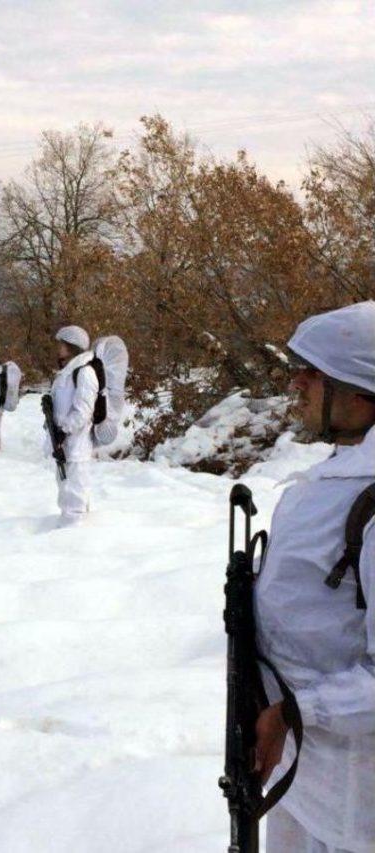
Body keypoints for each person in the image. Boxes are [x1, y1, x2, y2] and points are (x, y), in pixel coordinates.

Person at [253, 301, 375, 853]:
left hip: (356, 786)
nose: (296, 383)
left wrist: (299, 712)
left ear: (360, 394)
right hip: (303, 766)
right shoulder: (341, 473)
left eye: (314, 374)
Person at [47, 325, 99, 527]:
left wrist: (63, 430)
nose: (58, 348)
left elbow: (83, 413)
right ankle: (67, 534)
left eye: (61, 344)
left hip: (76, 447)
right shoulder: (67, 373)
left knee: (75, 497)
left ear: (71, 347)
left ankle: (74, 539)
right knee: (66, 492)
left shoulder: (85, 373)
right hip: (64, 446)